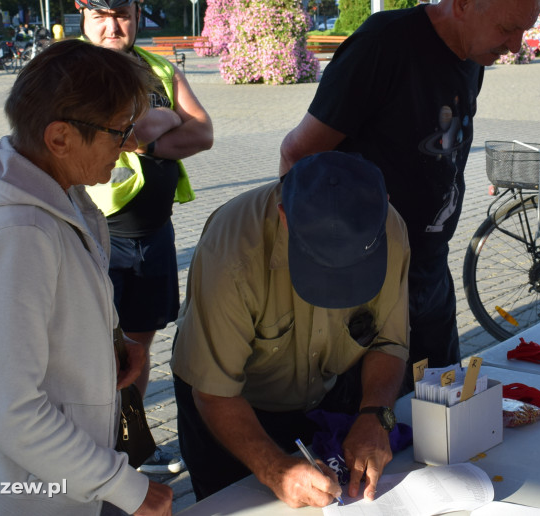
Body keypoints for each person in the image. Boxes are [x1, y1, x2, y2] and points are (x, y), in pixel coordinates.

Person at [279, 0, 540, 369]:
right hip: (365, 275)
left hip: (428, 267)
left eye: (523, 30)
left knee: (440, 404)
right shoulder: (384, 44)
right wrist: (319, 259)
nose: (516, 46)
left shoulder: (472, 56)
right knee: (372, 418)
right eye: (507, 29)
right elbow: (298, 155)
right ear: (463, 2)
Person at [0, 40, 173, 516]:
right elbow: (13, 410)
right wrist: (123, 486)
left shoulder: (58, 192)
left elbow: (59, 314)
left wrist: (110, 344)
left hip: (71, 477)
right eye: (119, 131)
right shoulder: (17, 237)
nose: (131, 144)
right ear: (60, 138)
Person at [171, 151, 410, 506]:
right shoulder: (232, 252)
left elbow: (388, 341)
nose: (333, 293)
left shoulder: (388, 228)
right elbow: (215, 392)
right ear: (285, 217)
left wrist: (375, 416)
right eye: (319, 267)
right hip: (229, 408)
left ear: (383, 207)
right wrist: (276, 469)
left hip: (318, 396)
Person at [75, 0, 214, 474]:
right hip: (97, 234)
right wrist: (160, 120)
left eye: (123, 15)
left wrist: (146, 136)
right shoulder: (71, 71)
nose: (113, 27)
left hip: (154, 235)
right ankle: (99, 448)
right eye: (102, 16)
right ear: (83, 19)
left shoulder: (159, 69)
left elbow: (201, 134)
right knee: (94, 346)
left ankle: (135, 440)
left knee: (138, 342)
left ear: (137, 15)